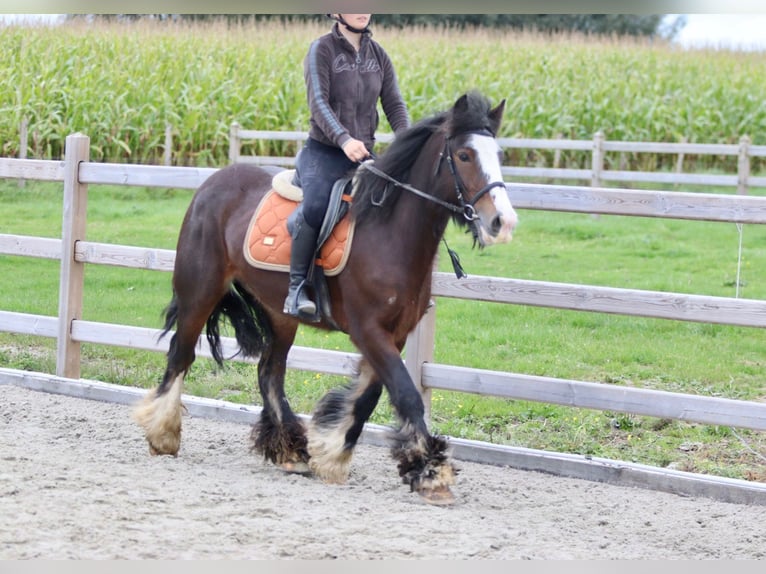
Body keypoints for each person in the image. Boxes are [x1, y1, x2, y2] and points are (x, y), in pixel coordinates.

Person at [284, 13, 411, 318]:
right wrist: (343, 139)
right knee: (315, 206)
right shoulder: (321, 50)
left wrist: (410, 144)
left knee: (397, 204)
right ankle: (297, 288)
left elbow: (394, 103)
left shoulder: (378, 54)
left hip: (364, 153)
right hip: (324, 152)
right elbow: (318, 102)